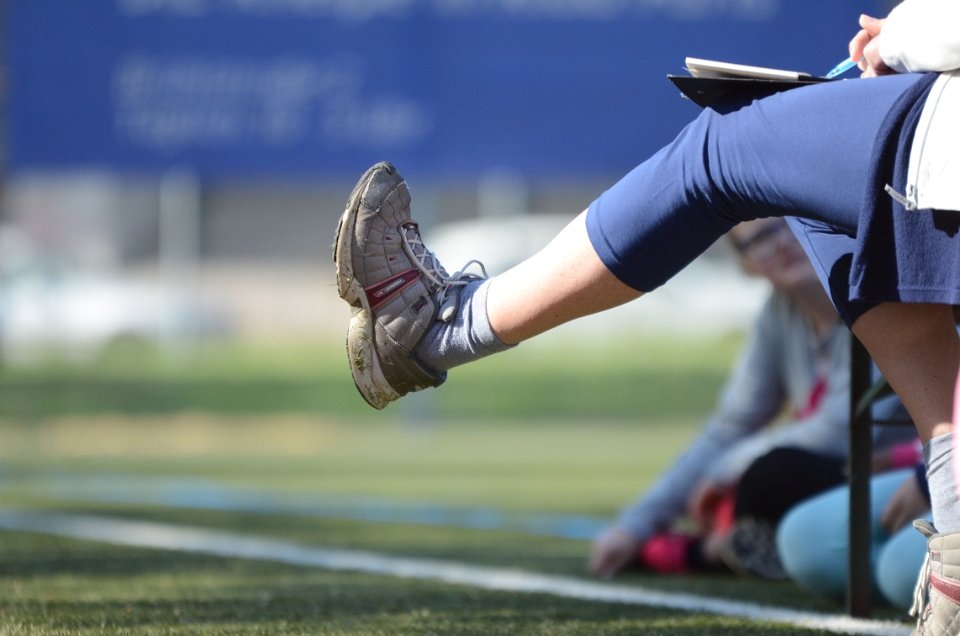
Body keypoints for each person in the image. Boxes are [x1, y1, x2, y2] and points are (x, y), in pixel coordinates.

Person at [333, 1, 960, 632]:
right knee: (828, 545)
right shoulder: (780, 320)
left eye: (775, 237)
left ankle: (444, 328)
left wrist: (901, 35)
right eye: (758, 245)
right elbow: (733, 421)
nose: (776, 250)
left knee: (724, 143)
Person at [588, 218, 852, 580]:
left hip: (891, 472)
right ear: (747, 264)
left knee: (770, 476)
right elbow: (733, 424)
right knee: (750, 487)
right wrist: (635, 525)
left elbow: (841, 430)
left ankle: (708, 553)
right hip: (834, 478)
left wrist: (725, 470)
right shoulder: (778, 312)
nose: (781, 243)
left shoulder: (869, 299)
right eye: (761, 239)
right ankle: (726, 545)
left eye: (789, 224)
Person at [776, 441, 931, 613]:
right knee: (804, 538)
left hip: (946, 468)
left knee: (901, 571)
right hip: (941, 456)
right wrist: (911, 456)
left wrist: (931, 479)